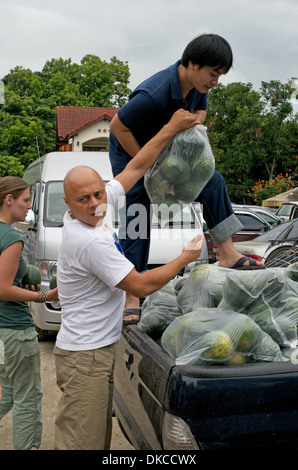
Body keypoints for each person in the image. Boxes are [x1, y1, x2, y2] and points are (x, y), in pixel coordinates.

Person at [54, 109, 204, 450]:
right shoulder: (89, 240)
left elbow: (136, 168)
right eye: (84, 199)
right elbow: (140, 286)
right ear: (68, 203)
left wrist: (169, 128)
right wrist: (183, 259)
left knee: (94, 439)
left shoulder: (97, 211)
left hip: (95, 349)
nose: (95, 204)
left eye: (98, 194)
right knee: (82, 442)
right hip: (86, 357)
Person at [109, 33, 263, 323]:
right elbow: (118, 126)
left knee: (212, 180)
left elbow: (201, 109)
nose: (215, 81)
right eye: (213, 73)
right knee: (138, 212)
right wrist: (147, 166)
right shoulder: (154, 93)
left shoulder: (197, 85)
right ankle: (131, 294)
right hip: (133, 152)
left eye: (220, 75)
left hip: (170, 152)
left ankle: (228, 253)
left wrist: (195, 122)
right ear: (192, 63)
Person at [0, 176, 58, 450]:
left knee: (7, 392)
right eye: (25, 200)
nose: (29, 208)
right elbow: (3, 289)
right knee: (27, 398)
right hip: (14, 329)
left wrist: (25, 275)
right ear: (8, 200)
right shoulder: (11, 237)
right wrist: (44, 295)